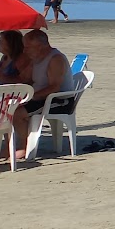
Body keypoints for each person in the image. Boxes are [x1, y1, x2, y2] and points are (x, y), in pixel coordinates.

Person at [13, 28, 71, 161]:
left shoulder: (55, 59)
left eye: (28, 47)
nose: (24, 51)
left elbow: (54, 87)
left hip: (58, 100)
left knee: (17, 113)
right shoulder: (37, 58)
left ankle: (24, 147)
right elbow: (24, 78)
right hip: (42, 97)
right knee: (8, 108)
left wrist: (31, 97)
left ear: (40, 46)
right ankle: (17, 143)